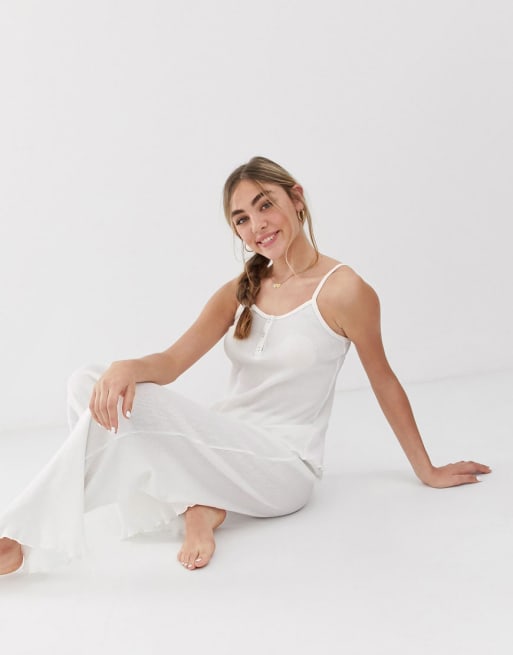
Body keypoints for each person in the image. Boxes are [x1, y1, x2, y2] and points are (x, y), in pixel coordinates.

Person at [0, 156, 491, 576]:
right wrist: (125, 366)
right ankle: (201, 503)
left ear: (296, 199)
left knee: (128, 401)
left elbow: (383, 380)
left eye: (265, 205)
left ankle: (19, 536)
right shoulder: (242, 289)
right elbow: (172, 362)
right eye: (241, 219)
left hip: (283, 466)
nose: (257, 225)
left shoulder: (345, 291)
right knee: (87, 381)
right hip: (221, 444)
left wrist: (426, 469)